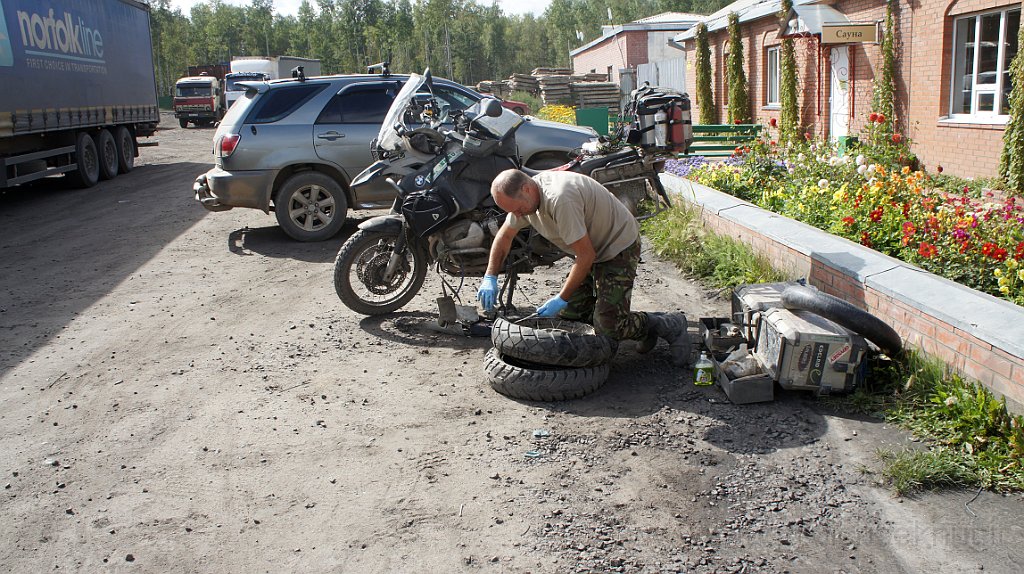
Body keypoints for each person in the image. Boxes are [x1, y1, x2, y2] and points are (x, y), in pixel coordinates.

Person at [476, 168, 689, 365]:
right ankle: (638, 327)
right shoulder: (527, 198)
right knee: (572, 316)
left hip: (617, 246)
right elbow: (504, 236)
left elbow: (586, 255)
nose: (518, 215)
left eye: (518, 209)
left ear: (526, 189)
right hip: (588, 248)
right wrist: (490, 276)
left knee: (609, 327)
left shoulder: (560, 199)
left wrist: (562, 298)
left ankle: (667, 324)